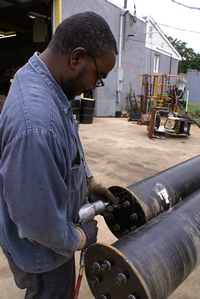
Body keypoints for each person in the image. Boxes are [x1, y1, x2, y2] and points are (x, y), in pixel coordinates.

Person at [0, 11, 118, 299]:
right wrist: (78, 238)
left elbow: (68, 141)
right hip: (46, 254)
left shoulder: (47, 84)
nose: (94, 86)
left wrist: (88, 181)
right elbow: (38, 224)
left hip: (51, 242)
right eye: (98, 77)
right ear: (77, 57)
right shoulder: (38, 125)